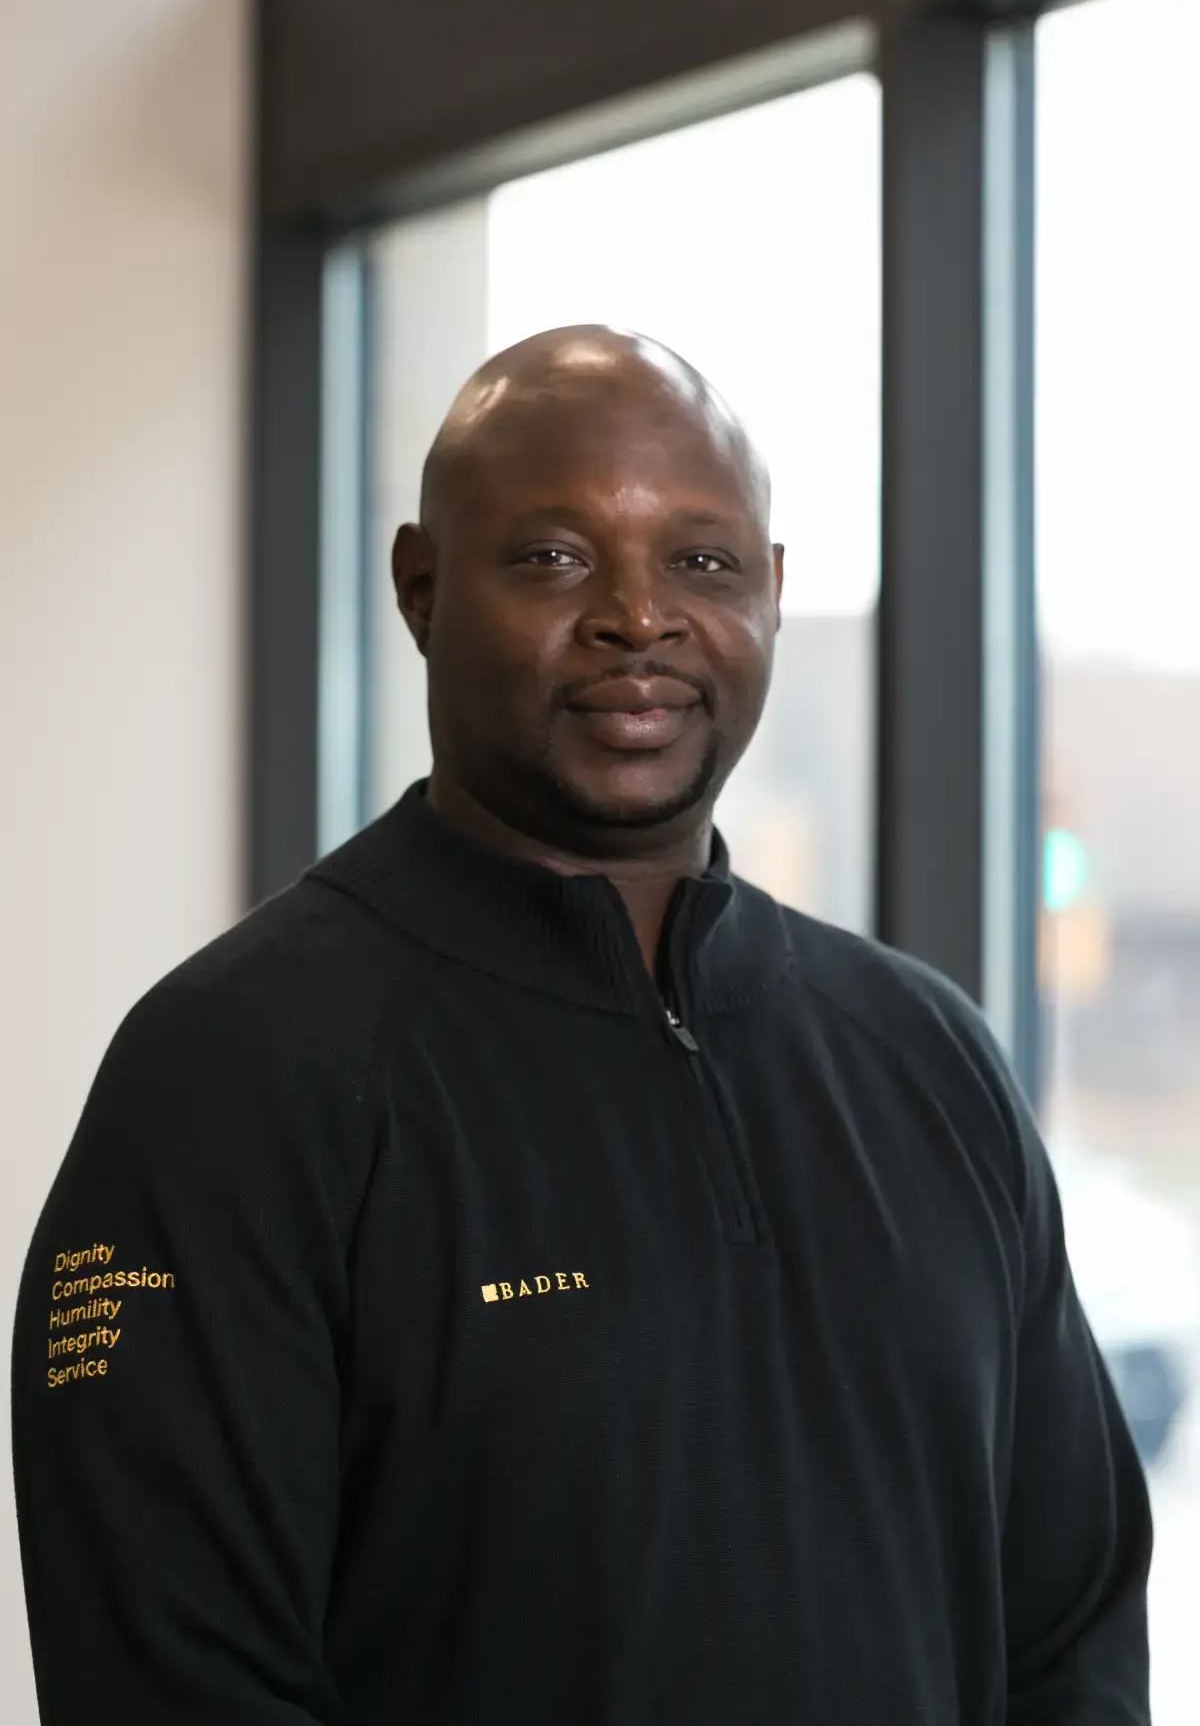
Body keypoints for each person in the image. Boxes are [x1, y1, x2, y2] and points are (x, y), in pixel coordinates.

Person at [12, 325, 1152, 1724]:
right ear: (421, 589)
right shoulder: (229, 1073)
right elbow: (171, 1684)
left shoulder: (927, 1056)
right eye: (554, 557)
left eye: (703, 562)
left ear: (773, 592)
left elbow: (1074, 1632)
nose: (638, 617)